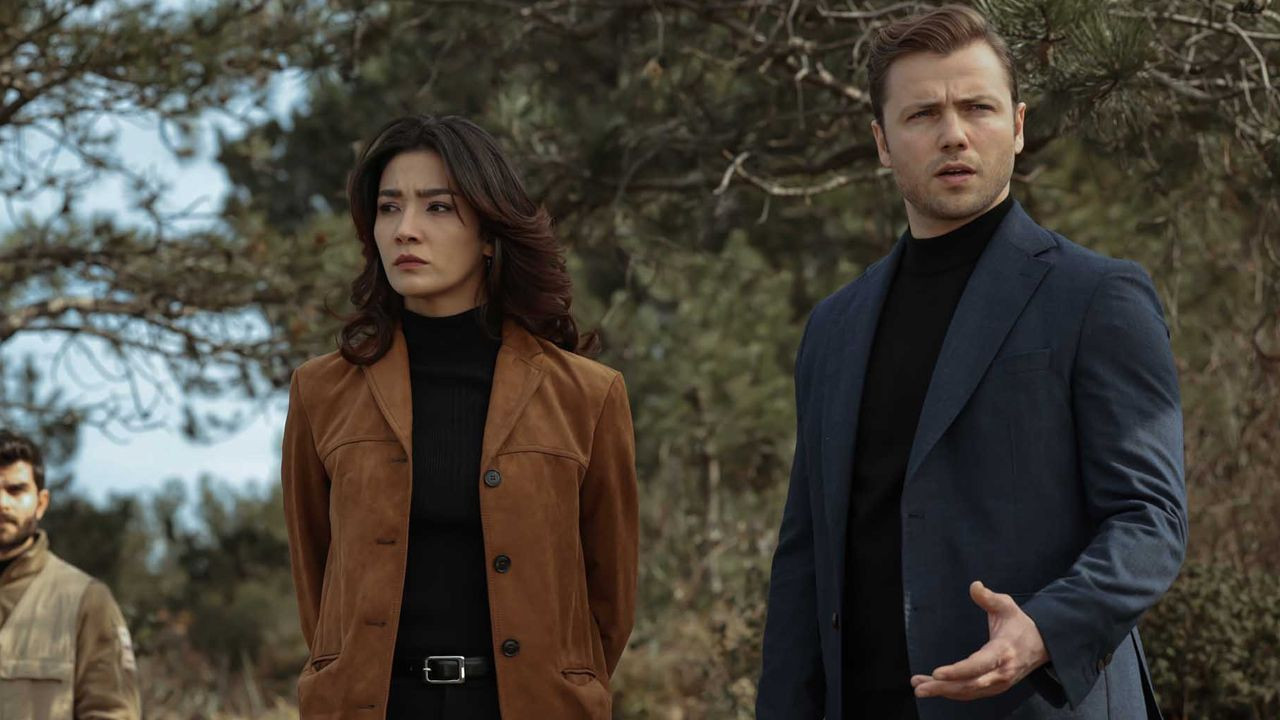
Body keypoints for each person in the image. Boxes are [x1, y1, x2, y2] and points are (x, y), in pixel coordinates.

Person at [756, 6, 1186, 720]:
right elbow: (804, 560)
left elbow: (1151, 519)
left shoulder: (1097, 296)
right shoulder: (833, 327)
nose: (953, 133)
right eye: (923, 113)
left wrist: (1044, 629)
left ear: (1016, 126)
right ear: (882, 142)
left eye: (977, 108)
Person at [280, 114, 638, 720]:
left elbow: (611, 595)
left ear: (490, 234)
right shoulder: (321, 392)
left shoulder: (587, 395)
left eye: (437, 207)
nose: (405, 229)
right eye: (389, 208)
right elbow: (316, 581)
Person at [0, 430, 141, 720]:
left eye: (15, 490)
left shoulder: (85, 600)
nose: (2, 503)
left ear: (41, 503)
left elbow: (113, 712)